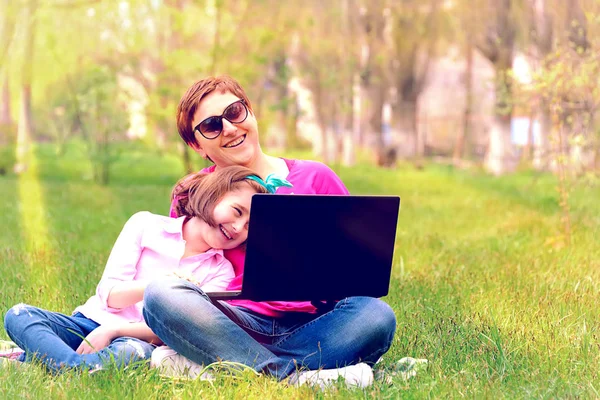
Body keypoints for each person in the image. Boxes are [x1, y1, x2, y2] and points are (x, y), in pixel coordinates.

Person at [143, 75, 397, 387]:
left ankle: (228, 367)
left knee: (377, 315)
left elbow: (357, 271)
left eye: (235, 112)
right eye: (212, 125)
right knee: (159, 294)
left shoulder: (316, 177)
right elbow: (177, 272)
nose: (230, 129)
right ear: (197, 145)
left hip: (313, 325)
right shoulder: (191, 193)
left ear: (250, 111)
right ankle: (296, 377)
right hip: (230, 322)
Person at [2, 165, 280, 373]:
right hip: (88, 322)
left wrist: (112, 332)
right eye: (238, 211)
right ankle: (74, 365)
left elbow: (168, 329)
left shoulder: (221, 273)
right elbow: (109, 295)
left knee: (133, 354)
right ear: (213, 193)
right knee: (19, 315)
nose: (237, 227)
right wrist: (161, 285)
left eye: (248, 228)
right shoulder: (145, 225)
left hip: (135, 339)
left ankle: (51, 363)